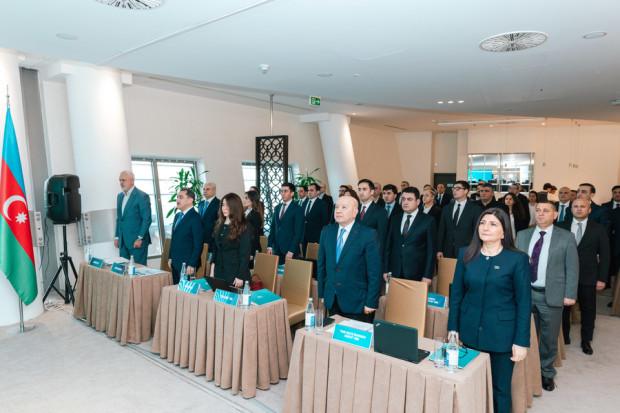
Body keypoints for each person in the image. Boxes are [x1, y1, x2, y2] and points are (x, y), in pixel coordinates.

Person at [448, 208, 530, 413]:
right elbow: (457, 294)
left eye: (493, 224)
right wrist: (453, 329)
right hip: (469, 332)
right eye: (483, 223)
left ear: (504, 232)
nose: (486, 227)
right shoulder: (466, 254)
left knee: (500, 389)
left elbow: (524, 303)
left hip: (501, 336)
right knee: (471, 384)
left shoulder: (517, 259)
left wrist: (521, 341)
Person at [516, 201, 578, 392]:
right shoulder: (523, 235)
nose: (541, 214)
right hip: (526, 294)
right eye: (538, 210)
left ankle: (546, 372)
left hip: (552, 295)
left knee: (549, 338)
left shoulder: (566, 237)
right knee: (524, 334)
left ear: (555, 215)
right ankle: (526, 369)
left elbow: (572, 267)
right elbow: (515, 265)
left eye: (546, 210)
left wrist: (570, 294)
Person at [557, 198, 610, 355]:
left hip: (589, 277)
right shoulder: (560, 227)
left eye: (582, 206)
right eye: (576, 206)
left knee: (588, 311)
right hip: (565, 277)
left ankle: (586, 341)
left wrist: (602, 279)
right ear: (571, 209)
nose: (579, 209)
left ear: (589, 209)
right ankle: (564, 337)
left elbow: (605, 255)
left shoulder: (599, 228)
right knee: (563, 310)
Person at [317, 196, 382, 323]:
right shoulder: (327, 231)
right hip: (332, 298)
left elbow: (374, 271)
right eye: (336, 207)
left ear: (354, 212)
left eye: (344, 207)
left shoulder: (368, 234)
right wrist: (322, 293)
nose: (338, 210)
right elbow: (321, 265)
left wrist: (371, 301)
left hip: (357, 301)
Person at [383, 187, 437, 284]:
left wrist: (427, 275)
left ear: (418, 202)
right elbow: (388, 246)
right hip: (395, 270)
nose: (405, 202)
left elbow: (431, 250)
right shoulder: (395, 219)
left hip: (417, 272)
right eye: (403, 199)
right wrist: (386, 269)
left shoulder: (428, 220)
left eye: (409, 199)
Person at [210, 193, 252, 287]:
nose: (224, 208)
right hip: (219, 272)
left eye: (228, 205)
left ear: (235, 207)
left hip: (235, 275)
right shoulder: (219, 224)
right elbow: (215, 250)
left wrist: (240, 276)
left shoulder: (244, 226)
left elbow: (244, 255)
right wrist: (212, 271)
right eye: (223, 205)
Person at [437, 180, 483, 259]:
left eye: (458, 188)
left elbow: (477, 231)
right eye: (453, 188)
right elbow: (442, 230)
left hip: (467, 250)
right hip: (447, 250)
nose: (454, 190)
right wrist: (439, 249)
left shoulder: (475, 209)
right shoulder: (446, 208)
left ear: (466, 191)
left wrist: (475, 249)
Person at [114, 170, 152, 265]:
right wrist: (117, 236)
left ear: (132, 180)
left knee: (139, 270)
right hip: (123, 242)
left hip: (137, 242)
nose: (121, 183)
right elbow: (119, 219)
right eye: (120, 180)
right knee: (124, 269)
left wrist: (139, 238)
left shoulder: (142, 196)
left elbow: (147, 219)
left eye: (123, 180)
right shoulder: (120, 196)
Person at [168, 188, 204, 284]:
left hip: (187, 264)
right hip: (175, 262)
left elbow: (198, 245)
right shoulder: (177, 216)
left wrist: (192, 264)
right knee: (176, 289)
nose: (177, 200)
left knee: (185, 290)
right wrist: (170, 257)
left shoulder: (195, 218)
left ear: (190, 200)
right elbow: (174, 239)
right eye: (177, 197)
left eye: (181, 197)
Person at [267, 183, 304, 264]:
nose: (282, 193)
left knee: (290, 272)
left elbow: (298, 233)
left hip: (290, 251)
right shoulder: (277, 208)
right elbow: (273, 228)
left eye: (285, 191)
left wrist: (291, 251)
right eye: (281, 191)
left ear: (292, 193)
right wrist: (269, 246)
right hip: (277, 249)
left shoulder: (298, 209)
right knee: (276, 271)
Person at [356, 179, 388, 256]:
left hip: (371, 253)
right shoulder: (355, 209)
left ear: (372, 192)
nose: (361, 192)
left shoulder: (380, 211)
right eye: (359, 189)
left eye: (364, 189)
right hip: (356, 253)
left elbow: (382, 237)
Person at [302, 183, 329, 252]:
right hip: (303, 238)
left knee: (313, 257)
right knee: (303, 257)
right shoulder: (304, 203)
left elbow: (325, 222)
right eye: (308, 190)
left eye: (311, 190)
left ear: (317, 192)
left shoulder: (322, 204)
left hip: (316, 238)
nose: (309, 192)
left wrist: (321, 238)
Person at [196, 182, 220, 252]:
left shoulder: (219, 203)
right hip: (200, 239)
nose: (205, 191)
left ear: (214, 190)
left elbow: (219, 223)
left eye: (207, 189)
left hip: (212, 240)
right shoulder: (200, 204)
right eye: (204, 189)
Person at [243, 190, 263, 267]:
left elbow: (256, 235)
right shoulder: (245, 211)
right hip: (245, 246)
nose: (244, 200)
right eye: (244, 198)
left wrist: (252, 253)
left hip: (251, 247)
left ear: (252, 200)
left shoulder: (256, 214)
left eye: (246, 198)